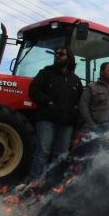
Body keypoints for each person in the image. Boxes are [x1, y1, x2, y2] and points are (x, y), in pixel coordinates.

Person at [29, 46, 83, 177]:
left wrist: (76, 118)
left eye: (61, 54)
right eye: (56, 54)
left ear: (69, 58)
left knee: (61, 154)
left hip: (67, 123)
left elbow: (81, 101)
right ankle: (34, 184)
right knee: (43, 151)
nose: (57, 56)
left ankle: (51, 184)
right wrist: (48, 102)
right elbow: (33, 91)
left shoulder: (75, 80)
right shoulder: (46, 73)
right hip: (47, 119)